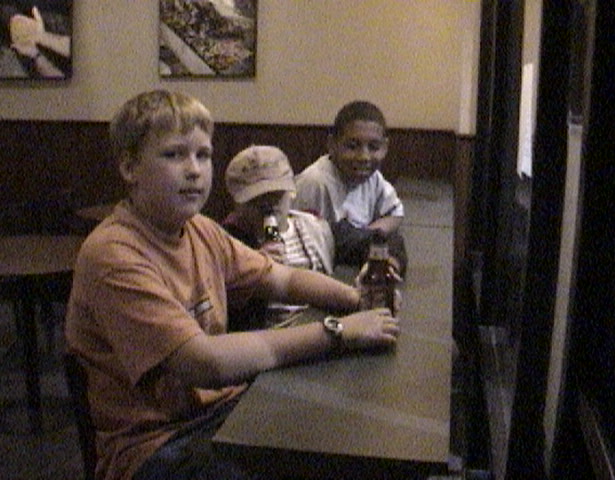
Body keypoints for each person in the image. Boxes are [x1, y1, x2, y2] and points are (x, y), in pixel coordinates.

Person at [64, 90, 400, 480]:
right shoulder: (113, 254)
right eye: (174, 154)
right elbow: (206, 362)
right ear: (129, 167)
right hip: (155, 446)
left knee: (337, 430)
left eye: (203, 155)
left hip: (216, 412)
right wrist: (337, 331)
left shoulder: (201, 230)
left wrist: (358, 300)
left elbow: (284, 278)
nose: (194, 170)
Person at [223, 144, 335, 329]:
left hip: (319, 324)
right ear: (238, 204)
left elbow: (365, 239)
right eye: (256, 199)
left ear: (291, 191)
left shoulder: (312, 226)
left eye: (276, 195)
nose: (268, 204)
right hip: (269, 338)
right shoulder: (228, 243)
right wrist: (252, 274)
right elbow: (230, 316)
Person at [293, 100, 408, 276]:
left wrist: (367, 237)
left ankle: (386, 272)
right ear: (332, 144)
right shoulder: (315, 182)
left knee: (390, 241)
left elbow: (395, 213)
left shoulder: (372, 177)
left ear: (385, 147)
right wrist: (365, 240)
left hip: (355, 254)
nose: (364, 157)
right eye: (352, 146)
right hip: (320, 266)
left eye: (374, 147)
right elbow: (297, 240)